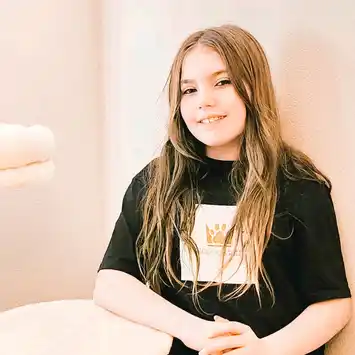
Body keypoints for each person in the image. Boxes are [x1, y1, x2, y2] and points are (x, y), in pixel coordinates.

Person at [93, 24, 352, 355]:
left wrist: (264, 351)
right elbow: (111, 282)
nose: (205, 101)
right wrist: (192, 330)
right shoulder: (156, 181)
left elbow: (332, 304)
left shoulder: (299, 185)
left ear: (253, 87)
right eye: (189, 90)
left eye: (222, 82)